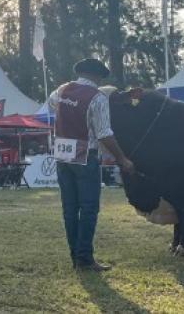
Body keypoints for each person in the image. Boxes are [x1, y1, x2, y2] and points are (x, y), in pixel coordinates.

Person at [48, 58, 135, 272]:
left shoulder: (61, 91)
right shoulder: (97, 98)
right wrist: (122, 159)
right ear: (97, 76)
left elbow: (52, 105)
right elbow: (105, 133)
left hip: (62, 154)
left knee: (70, 209)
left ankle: (75, 256)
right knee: (88, 208)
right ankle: (85, 258)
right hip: (85, 155)